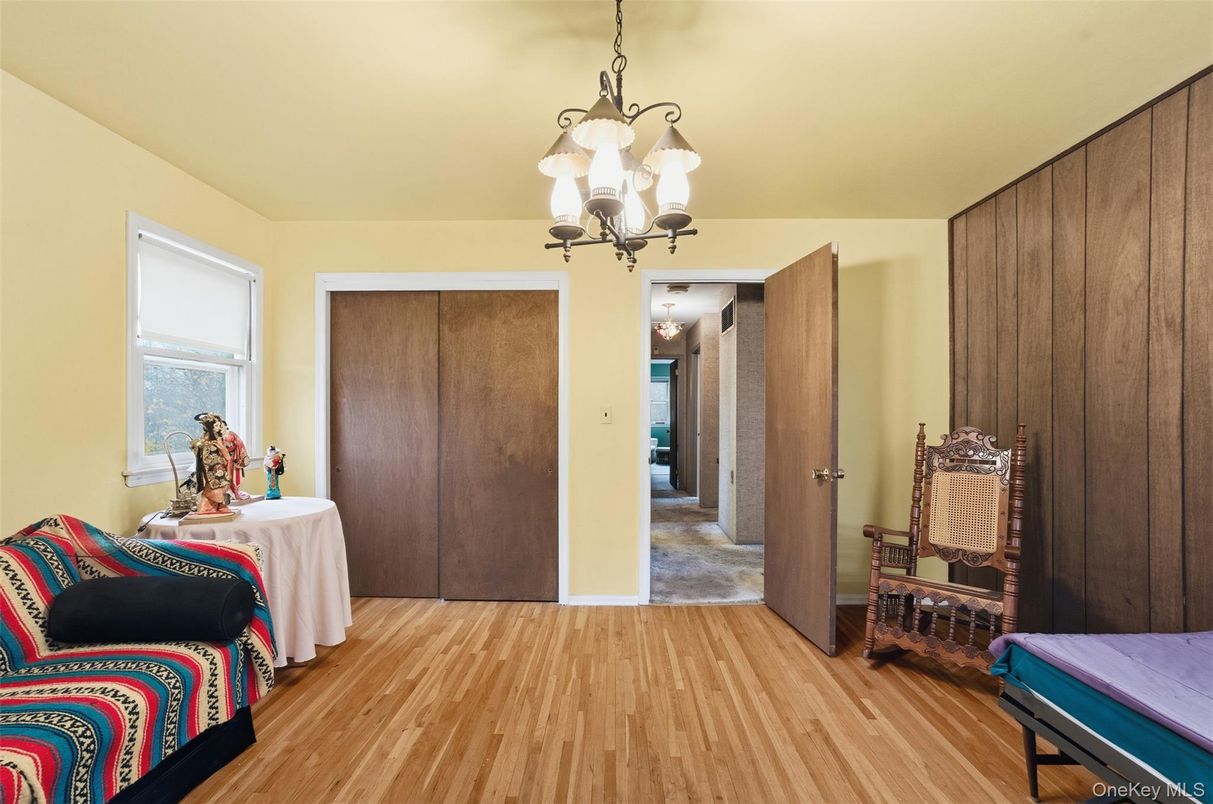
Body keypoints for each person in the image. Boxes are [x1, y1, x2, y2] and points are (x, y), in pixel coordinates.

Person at [192, 412, 233, 515]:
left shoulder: (217, 438)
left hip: (218, 466)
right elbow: (199, 450)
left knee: (219, 487)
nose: (218, 428)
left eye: (219, 425)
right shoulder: (204, 438)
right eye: (216, 425)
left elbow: (223, 451)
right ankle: (210, 507)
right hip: (210, 468)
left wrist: (227, 458)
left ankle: (219, 506)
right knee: (211, 487)